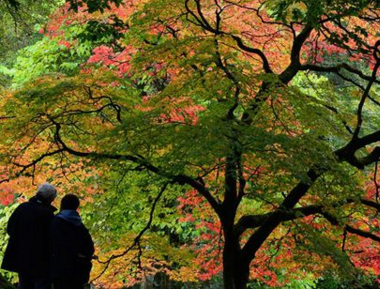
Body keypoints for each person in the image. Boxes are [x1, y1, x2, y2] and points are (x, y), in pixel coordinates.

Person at [2, 183, 58, 289]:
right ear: (50, 198)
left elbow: (10, 228)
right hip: (41, 259)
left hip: (22, 256)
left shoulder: (23, 208)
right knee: (41, 284)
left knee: (24, 284)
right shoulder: (47, 214)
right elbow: (52, 238)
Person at [50, 194, 94, 289]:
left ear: (62, 205)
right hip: (78, 272)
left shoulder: (54, 223)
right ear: (76, 207)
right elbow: (89, 248)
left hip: (59, 270)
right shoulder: (80, 226)